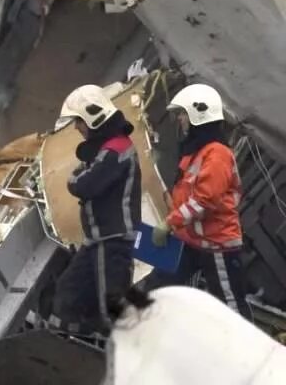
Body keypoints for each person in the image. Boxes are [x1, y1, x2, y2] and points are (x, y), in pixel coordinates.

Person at [145, 84, 252, 319]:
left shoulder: (217, 155)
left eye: (183, 114)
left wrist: (169, 223)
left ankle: (246, 352)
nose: (180, 119)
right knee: (157, 289)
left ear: (198, 114)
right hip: (191, 241)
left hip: (217, 246)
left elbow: (204, 201)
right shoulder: (197, 151)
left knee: (231, 308)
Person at [50, 84, 142, 335]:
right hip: (96, 242)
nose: (77, 128)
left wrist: (74, 179)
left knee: (112, 309)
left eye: (78, 121)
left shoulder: (117, 149)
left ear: (93, 116)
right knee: (68, 295)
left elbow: (85, 184)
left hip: (113, 241)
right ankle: (70, 349)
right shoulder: (106, 149)